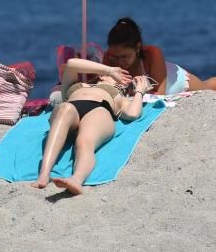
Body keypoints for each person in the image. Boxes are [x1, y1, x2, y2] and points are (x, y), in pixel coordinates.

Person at [32, 58, 149, 195]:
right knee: (65, 109)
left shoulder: (121, 96)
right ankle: (44, 174)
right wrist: (110, 70)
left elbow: (133, 113)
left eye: (126, 79)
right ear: (101, 74)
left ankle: (76, 179)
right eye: (122, 74)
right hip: (71, 108)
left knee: (84, 141)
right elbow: (71, 64)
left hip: (100, 110)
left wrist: (139, 92)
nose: (123, 78)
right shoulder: (76, 85)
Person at [103, 17, 216, 94]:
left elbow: (160, 94)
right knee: (207, 86)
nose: (119, 62)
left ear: (137, 48)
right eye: (115, 57)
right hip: (143, 93)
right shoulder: (108, 58)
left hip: (173, 82)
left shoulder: (152, 54)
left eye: (124, 57)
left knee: (206, 89)